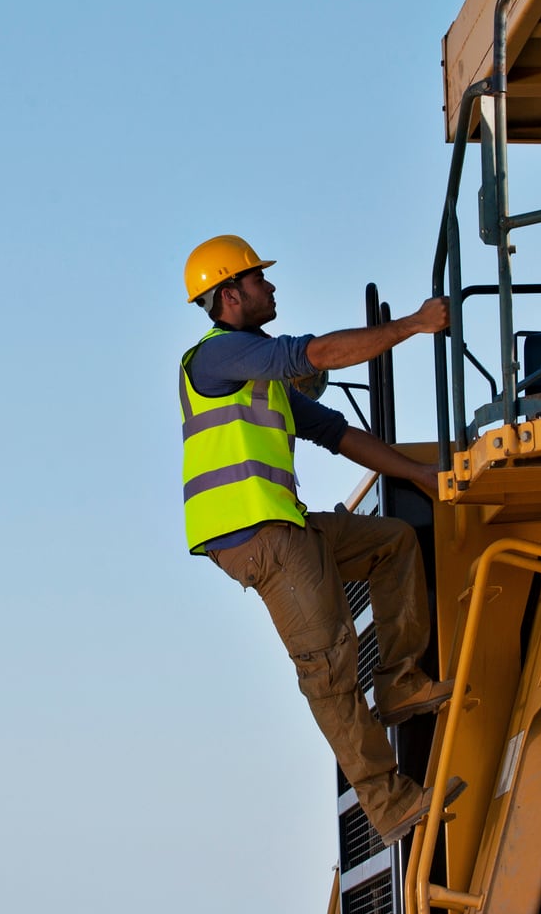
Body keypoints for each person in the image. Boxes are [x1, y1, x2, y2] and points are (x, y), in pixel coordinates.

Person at [179, 234, 452, 847]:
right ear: (230, 295)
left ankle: (402, 682)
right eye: (258, 280)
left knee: (393, 543)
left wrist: (416, 475)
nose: (270, 286)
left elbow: (337, 433)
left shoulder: (259, 383)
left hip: (287, 528)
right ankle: (391, 806)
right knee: (328, 671)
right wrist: (412, 325)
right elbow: (316, 354)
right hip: (258, 538)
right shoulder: (217, 357)